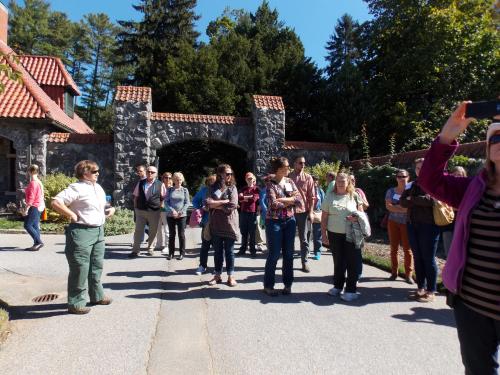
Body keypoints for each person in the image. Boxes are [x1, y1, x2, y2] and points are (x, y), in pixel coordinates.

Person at [418, 102, 500, 374]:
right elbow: (430, 180)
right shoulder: (473, 188)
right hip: (473, 305)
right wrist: (447, 135)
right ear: (488, 148)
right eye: (496, 136)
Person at [51, 160, 115, 314]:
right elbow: (55, 202)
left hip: (98, 232)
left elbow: (104, 204)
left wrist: (110, 209)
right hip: (81, 232)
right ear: (84, 173)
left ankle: (97, 296)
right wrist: (71, 214)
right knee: (80, 268)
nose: (98, 173)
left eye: (97, 171)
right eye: (94, 171)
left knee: (96, 266)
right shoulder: (76, 188)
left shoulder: (97, 187)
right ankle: (76, 303)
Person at [400, 158, 439, 302]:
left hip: (429, 225)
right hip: (412, 224)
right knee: (417, 256)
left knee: (428, 258)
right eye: (417, 168)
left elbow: (432, 201)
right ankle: (420, 286)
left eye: (422, 167)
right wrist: (417, 199)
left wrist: (413, 199)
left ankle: (431, 290)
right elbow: (403, 202)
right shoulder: (411, 184)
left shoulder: (434, 183)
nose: (419, 170)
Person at [321, 172, 364, 302]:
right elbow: (324, 217)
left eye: (343, 181)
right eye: (338, 180)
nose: (340, 183)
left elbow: (361, 214)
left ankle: (351, 290)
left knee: (353, 261)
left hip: (352, 234)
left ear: (348, 183)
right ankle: (338, 286)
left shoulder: (354, 196)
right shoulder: (330, 196)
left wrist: (355, 217)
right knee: (338, 261)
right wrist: (324, 234)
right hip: (334, 234)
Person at [263, 157, 302, 296]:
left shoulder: (290, 181)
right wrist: (290, 201)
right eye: (286, 167)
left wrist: (284, 200)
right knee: (274, 255)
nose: (289, 168)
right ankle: (268, 286)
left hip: (289, 221)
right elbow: (273, 204)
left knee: (289, 255)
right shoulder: (270, 184)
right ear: (279, 169)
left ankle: (287, 284)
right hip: (274, 222)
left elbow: (299, 199)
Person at [205, 164, 239, 286]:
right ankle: (217, 275)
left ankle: (231, 276)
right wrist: (224, 201)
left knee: (230, 252)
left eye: (230, 174)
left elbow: (233, 205)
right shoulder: (213, 187)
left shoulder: (233, 188)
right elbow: (208, 203)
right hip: (216, 224)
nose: (229, 176)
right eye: (227, 173)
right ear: (220, 174)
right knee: (218, 252)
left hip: (230, 225)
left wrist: (216, 204)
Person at [128, 166, 166, 258]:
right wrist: (136, 208)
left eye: (152, 172)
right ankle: (135, 250)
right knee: (138, 231)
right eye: (148, 171)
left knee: (153, 231)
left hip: (154, 211)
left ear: (156, 174)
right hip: (141, 211)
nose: (150, 173)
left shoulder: (160, 184)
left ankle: (150, 249)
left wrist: (160, 208)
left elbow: (163, 198)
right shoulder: (140, 183)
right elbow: (136, 196)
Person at [385, 169, 414, 284]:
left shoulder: (412, 191)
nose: (401, 179)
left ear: (408, 177)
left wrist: (396, 207)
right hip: (393, 222)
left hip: (407, 223)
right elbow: (388, 206)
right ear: (396, 178)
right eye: (399, 176)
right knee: (394, 249)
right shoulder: (391, 191)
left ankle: (409, 275)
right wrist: (402, 208)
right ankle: (394, 272)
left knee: (408, 250)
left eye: (404, 176)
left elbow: (411, 208)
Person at [289, 155, 314, 273]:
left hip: (303, 212)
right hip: (289, 211)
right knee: (289, 238)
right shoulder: (288, 177)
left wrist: (311, 212)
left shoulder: (308, 177)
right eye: (300, 163)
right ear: (294, 164)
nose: (302, 165)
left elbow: (312, 196)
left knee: (304, 239)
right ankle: (289, 262)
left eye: (304, 163)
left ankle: (305, 262)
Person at [440, 166, 467, 258]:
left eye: (459, 175)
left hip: (463, 225)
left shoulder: (468, 189)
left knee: (462, 253)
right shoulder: (447, 188)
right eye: (454, 175)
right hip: (448, 224)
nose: (456, 177)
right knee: (449, 253)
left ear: (464, 176)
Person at [192, 174, 216, 274]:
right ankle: (202, 266)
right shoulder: (203, 190)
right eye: (210, 182)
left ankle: (217, 268)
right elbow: (195, 201)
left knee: (217, 247)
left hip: (218, 222)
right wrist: (201, 208)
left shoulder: (220, 190)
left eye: (214, 182)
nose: (212, 184)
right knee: (205, 245)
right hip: (206, 222)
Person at [165, 172, 190, 260]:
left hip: (182, 215)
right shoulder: (170, 190)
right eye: (176, 180)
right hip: (170, 215)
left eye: (180, 179)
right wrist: (173, 211)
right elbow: (166, 202)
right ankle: (171, 253)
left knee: (181, 234)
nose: (178, 181)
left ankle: (182, 253)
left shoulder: (185, 190)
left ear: (182, 180)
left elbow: (187, 203)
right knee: (172, 234)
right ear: (173, 180)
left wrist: (181, 211)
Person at [237, 172, 260, 257]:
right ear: (246, 180)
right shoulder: (243, 188)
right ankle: (243, 249)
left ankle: (252, 250)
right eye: (248, 178)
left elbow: (254, 199)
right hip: (243, 212)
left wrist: (244, 197)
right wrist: (245, 198)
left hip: (252, 213)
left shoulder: (256, 189)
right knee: (243, 231)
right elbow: (239, 198)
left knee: (252, 232)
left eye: (251, 178)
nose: (250, 180)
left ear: (254, 179)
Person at [23, 164, 45, 251]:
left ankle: (39, 242)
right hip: (39, 205)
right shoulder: (39, 182)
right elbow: (42, 195)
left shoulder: (33, 183)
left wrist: (26, 209)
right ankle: (36, 244)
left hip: (34, 206)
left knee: (27, 225)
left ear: (30, 172)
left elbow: (32, 197)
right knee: (35, 225)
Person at [155, 172, 172, 255]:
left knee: (166, 229)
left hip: (167, 211)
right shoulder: (159, 186)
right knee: (157, 228)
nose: (167, 179)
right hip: (158, 210)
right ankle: (159, 244)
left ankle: (167, 246)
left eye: (169, 177)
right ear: (163, 178)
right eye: (166, 177)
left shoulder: (172, 188)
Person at [311, 175, 325, 260]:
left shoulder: (320, 191)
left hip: (318, 213)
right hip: (308, 213)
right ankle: (305, 250)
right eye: (313, 180)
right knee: (307, 234)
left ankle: (317, 251)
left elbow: (324, 202)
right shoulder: (307, 190)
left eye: (316, 181)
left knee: (317, 233)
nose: (315, 182)